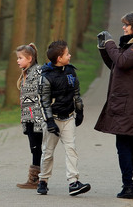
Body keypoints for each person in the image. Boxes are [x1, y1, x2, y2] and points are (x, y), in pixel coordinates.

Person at [95, 11, 133, 199]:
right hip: (125, 102)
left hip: (129, 103)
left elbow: (121, 61)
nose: (123, 27)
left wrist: (110, 43)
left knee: (123, 144)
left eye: (126, 24)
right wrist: (103, 48)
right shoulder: (132, 45)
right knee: (130, 144)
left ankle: (128, 186)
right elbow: (116, 66)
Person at [36, 40, 91, 196]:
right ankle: (43, 180)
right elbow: (43, 101)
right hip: (52, 119)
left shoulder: (71, 72)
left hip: (68, 118)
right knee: (47, 152)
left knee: (71, 149)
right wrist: (49, 121)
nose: (70, 55)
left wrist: (79, 111)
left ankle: (73, 182)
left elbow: (76, 93)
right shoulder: (45, 77)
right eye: (67, 53)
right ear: (59, 58)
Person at [15, 43, 44, 189]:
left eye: (20, 58)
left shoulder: (37, 72)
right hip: (28, 117)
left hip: (36, 118)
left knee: (37, 147)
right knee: (34, 147)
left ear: (30, 58)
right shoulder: (26, 73)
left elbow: (43, 93)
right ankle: (35, 178)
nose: (18, 61)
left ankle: (36, 179)